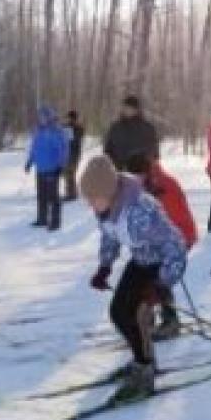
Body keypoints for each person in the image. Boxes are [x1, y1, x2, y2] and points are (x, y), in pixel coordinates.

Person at [81, 155, 187, 402]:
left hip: (159, 263)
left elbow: (176, 245)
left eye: (93, 199)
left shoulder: (140, 210)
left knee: (137, 315)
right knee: (118, 311)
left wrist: (162, 283)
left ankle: (145, 370)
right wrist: (105, 267)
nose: (90, 205)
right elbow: (110, 236)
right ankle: (141, 359)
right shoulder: (107, 208)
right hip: (141, 260)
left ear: (109, 191)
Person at [126, 153, 198, 339]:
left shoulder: (164, 186)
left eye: (137, 177)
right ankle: (146, 315)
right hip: (160, 238)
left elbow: (172, 222)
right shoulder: (144, 186)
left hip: (181, 235)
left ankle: (170, 320)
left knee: (160, 273)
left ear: (146, 172)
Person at [26, 106, 69, 231]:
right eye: (40, 117)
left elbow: (63, 149)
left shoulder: (56, 131)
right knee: (41, 195)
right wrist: (29, 162)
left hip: (52, 169)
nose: (42, 119)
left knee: (53, 196)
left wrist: (61, 165)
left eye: (44, 116)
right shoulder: (38, 131)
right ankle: (42, 218)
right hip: (40, 169)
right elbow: (35, 149)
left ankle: (55, 222)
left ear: (50, 116)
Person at [103, 95, 159, 170]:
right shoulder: (115, 128)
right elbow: (108, 150)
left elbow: (154, 153)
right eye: (126, 108)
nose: (128, 110)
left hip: (141, 173)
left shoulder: (147, 128)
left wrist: (145, 163)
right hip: (118, 171)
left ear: (137, 109)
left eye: (131, 108)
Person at [63, 110, 85, 201]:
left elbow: (76, 138)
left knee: (70, 173)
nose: (68, 120)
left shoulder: (78, 128)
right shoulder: (66, 127)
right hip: (67, 154)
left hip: (74, 154)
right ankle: (71, 192)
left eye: (70, 118)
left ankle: (71, 194)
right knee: (67, 173)